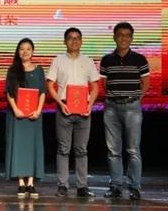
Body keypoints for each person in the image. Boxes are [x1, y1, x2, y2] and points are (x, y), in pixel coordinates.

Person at [46, 28, 99, 198]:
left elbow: (95, 86)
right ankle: (62, 185)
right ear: (64, 41)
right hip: (64, 108)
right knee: (63, 149)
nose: (74, 41)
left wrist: (90, 105)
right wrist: (60, 103)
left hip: (84, 110)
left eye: (77, 38)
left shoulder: (88, 61)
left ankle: (82, 186)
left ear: (81, 41)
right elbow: (50, 85)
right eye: (70, 38)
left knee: (81, 149)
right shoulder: (58, 60)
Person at [100, 22, 150, 201]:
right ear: (114, 37)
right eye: (120, 35)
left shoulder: (140, 59)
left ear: (131, 38)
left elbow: (146, 83)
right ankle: (115, 186)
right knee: (113, 150)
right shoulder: (107, 60)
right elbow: (104, 84)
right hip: (111, 108)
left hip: (132, 108)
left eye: (127, 35)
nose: (123, 38)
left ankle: (135, 187)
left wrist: (134, 99)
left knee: (133, 149)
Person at [5, 38, 45, 199]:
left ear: (33, 51)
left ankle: (31, 183)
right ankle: (21, 183)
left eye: (28, 49)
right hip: (17, 115)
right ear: (18, 51)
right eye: (22, 48)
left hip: (34, 116)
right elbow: (9, 92)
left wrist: (38, 111)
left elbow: (42, 92)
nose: (25, 51)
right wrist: (16, 109)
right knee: (19, 147)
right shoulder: (13, 70)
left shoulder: (39, 70)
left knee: (32, 147)